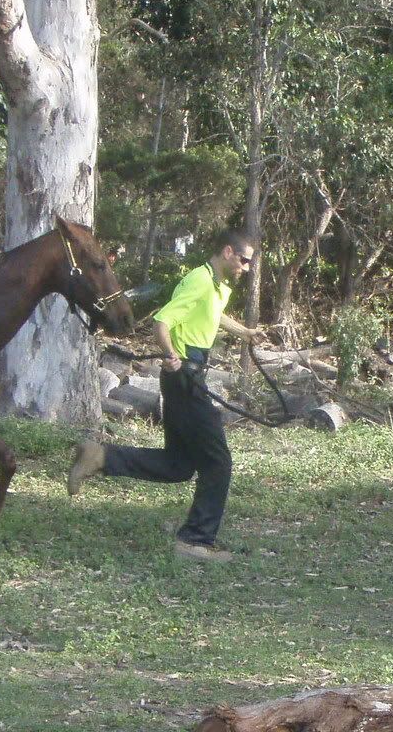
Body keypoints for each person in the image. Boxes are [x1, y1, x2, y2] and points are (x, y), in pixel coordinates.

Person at [68, 228, 266, 563]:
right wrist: (172, 356)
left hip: (190, 374)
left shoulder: (217, 285)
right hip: (185, 377)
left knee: (179, 464)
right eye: (245, 260)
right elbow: (162, 321)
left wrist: (245, 332)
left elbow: (215, 314)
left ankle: (100, 456)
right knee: (218, 462)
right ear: (228, 252)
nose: (247, 268)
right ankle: (195, 542)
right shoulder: (200, 281)